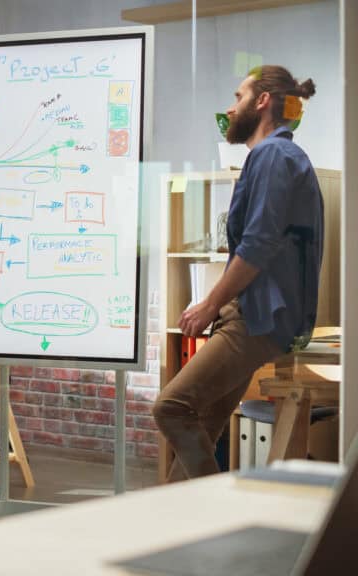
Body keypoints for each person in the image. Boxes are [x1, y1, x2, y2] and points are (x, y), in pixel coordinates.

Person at [153, 65, 323, 481]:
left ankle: (214, 510)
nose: (231, 109)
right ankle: (175, 526)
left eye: (238, 97)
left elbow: (259, 244)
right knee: (203, 426)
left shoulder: (273, 156)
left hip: (258, 318)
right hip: (254, 313)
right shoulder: (274, 157)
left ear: (262, 101)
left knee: (170, 408)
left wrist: (210, 304)